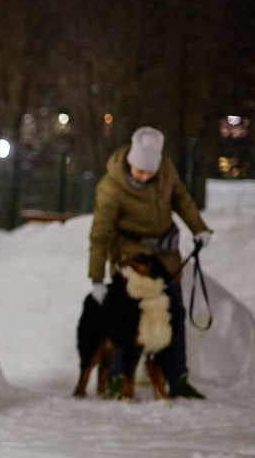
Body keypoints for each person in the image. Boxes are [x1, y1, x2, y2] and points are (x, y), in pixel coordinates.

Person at [88, 126, 212, 399]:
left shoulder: (166, 171)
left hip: (165, 259)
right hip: (130, 262)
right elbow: (99, 236)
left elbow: (182, 199)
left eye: (150, 171)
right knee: (127, 322)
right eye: (140, 171)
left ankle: (177, 378)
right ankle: (117, 379)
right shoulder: (111, 187)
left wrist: (199, 229)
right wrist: (96, 278)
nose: (145, 176)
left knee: (173, 316)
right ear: (130, 162)